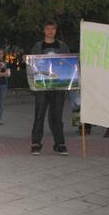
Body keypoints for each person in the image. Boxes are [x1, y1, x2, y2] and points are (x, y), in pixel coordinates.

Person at [30, 21, 70, 156]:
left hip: (58, 87)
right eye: (48, 29)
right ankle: (36, 143)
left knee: (57, 116)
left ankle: (60, 143)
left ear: (55, 30)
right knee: (39, 115)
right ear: (44, 30)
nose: (50, 31)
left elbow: (68, 64)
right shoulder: (38, 46)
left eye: (53, 29)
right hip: (42, 87)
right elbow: (32, 65)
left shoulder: (62, 46)